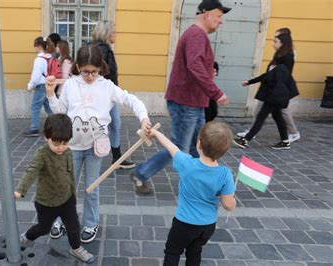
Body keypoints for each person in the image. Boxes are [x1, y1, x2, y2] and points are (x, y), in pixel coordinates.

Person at [45, 45, 151, 243]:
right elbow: (59, 111)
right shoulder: (70, 85)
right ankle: (60, 219)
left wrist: (144, 118)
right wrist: (51, 94)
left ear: (101, 68)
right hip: (72, 146)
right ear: (78, 66)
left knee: (91, 188)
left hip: (96, 147)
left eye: (94, 71)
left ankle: (91, 223)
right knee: (66, 187)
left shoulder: (107, 87)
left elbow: (132, 100)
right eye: (85, 71)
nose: (90, 76)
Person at [130, 0, 230, 195]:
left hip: (193, 103)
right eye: (219, 16)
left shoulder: (197, 35)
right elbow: (195, 66)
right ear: (207, 14)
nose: (221, 21)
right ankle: (141, 173)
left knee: (196, 147)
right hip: (186, 103)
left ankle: (200, 182)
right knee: (177, 148)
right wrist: (216, 92)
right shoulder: (196, 35)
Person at [148, 122, 236, 266]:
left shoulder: (187, 164)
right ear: (224, 150)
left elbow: (172, 148)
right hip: (207, 226)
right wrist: (233, 201)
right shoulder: (225, 174)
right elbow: (228, 205)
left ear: (199, 143)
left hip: (183, 224)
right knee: (195, 252)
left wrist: (156, 133)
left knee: (172, 252)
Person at [15, 114, 95, 263]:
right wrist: (20, 190)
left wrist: (72, 194)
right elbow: (31, 171)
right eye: (56, 143)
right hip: (46, 202)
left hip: (66, 199)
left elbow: (69, 174)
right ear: (46, 137)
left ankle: (76, 248)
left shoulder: (68, 152)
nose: (61, 148)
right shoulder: (42, 154)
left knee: (74, 226)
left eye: (65, 143)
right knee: (44, 228)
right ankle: (27, 237)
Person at [233, 32, 298, 150]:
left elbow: (282, 77)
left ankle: (245, 140)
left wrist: (271, 88)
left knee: (261, 116)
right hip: (273, 91)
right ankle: (285, 141)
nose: (273, 43)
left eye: (276, 41)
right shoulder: (278, 55)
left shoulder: (287, 57)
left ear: (282, 43)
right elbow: (269, 74)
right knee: (278, 118)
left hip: (275, 93)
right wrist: (250, 81)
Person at [91, 21, 136, 169]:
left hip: (104, 94)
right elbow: (100, 73)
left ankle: (115, 157)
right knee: (113, 124)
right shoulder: (102, 50)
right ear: (107, 33)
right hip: (106, 95)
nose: (116, 34)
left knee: (107, 123)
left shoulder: (95, 47)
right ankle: (115, 157)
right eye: (114, 32)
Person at [24, 36, 55, 137]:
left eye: (35, 45)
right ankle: (57, 126)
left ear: (39, 46)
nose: (34, 47)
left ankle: (34, 129)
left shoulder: (39, 59)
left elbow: (36, 76)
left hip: (41, 86)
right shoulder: (50, 57)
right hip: (49, 84)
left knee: (35, 107)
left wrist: (30, 85)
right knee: (50, 108)